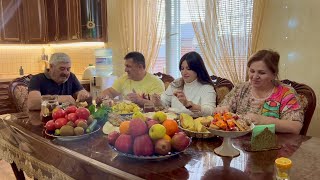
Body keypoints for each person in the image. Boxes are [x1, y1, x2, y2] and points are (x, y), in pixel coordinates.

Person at [215, 49, 304, 134]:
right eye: (252, 71)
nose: (254, 76)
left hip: (273, 144)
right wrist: (221, 110)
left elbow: (295, 127)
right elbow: (223, 110)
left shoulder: (286, 93)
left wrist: (264, 121)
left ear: (274, 74)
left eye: (261, 73)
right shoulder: (240, 88)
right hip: (239, 144)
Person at [153, 51, 216, 116]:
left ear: (198, 69)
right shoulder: (177, 83)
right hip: (172, 121)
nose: (184, 72)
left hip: (193, 124)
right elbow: (164, 101)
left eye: (188, 69)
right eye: (182, 68)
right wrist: (157, 101)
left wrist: (188, 105)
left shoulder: (207, 87)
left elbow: (211, 111)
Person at [98, 51, 165, 106]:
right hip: (125, 119)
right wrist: (102, 97)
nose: (125, 70)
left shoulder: (156, 82)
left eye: (128, 66)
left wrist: (140, 100)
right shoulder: (124, 78)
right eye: (125, 66)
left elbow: (158, 105)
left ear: (140, 67)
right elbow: (111, 92)